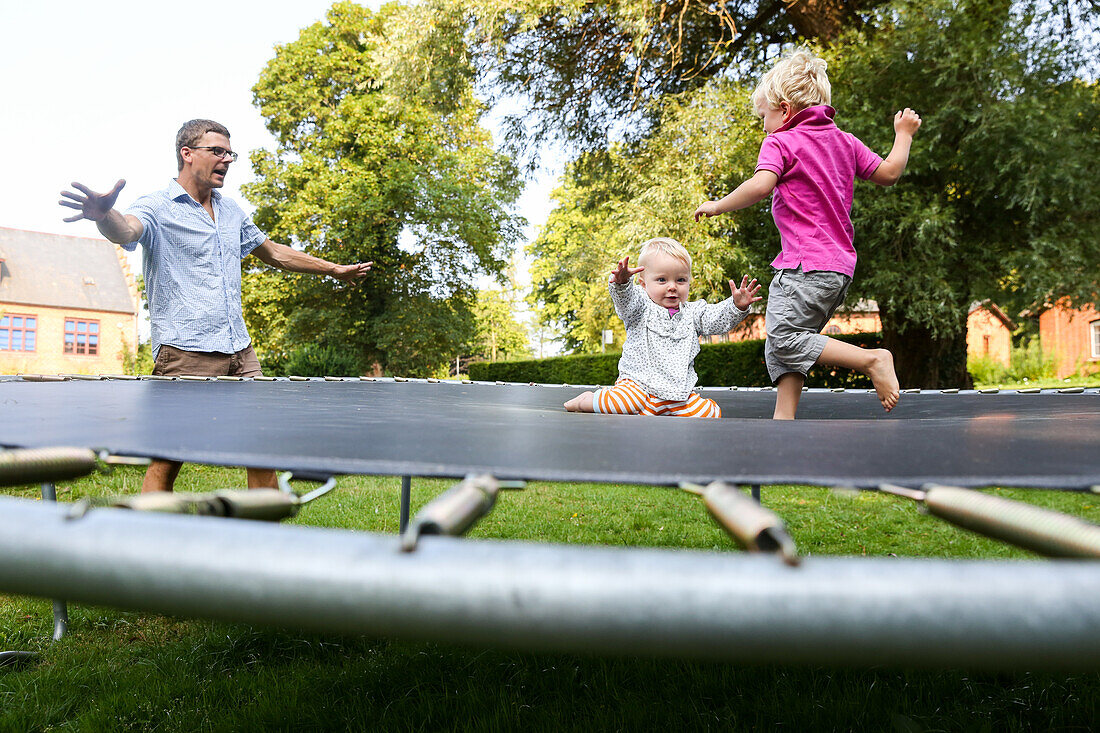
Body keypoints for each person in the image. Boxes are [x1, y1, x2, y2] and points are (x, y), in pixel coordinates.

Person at [59, 119, 372, 492]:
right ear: (187, 154)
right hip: (185, 350)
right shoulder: (157, 206)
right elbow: (126, 230)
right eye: (217, 152)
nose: (226, 160)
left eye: (229, 153)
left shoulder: (231, 211)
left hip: (239, 348)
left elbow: (274, 253)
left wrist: (333, 269)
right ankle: (144, 529)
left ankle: (266, 534)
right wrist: (103, 216)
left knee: (260, 446)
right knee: (169, 453)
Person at [693, 48, 921, 419]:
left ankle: (872, 360)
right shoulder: (844, 141)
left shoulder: (781, 142)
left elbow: (761, 185)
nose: (763, 125)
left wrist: (718, 204)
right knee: (789, 343)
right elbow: (890, 173)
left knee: (783, 338)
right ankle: (784, 419)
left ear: (784, 110)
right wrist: (903, 133)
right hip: (838, 270)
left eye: (764, 117)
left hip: (803, 267)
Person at [564, 237, 761, 417]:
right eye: (661, 280)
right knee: (623, 404)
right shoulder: (640, 307)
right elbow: (626, 302)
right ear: (643, 283)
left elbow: (716, 319)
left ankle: (655, 410)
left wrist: (737, 306)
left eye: (681, 280)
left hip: (677, 393)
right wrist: (622, 284)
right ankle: (586, 401)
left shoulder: (694, 313)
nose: (672, 286)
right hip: (638, 386)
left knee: (710, 413)